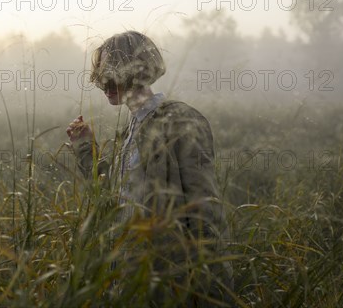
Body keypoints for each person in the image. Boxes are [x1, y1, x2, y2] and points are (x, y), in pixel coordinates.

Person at [66, 30, 234, 307]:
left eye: (113, 71)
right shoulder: (129, 131)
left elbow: (206, 211)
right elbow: (113, 200)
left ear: (140, 70)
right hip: (131, 283)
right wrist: (86, 148)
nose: (104, 82)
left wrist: (209, 293)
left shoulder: (180, 121)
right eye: (101, 73)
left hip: (170, 286)